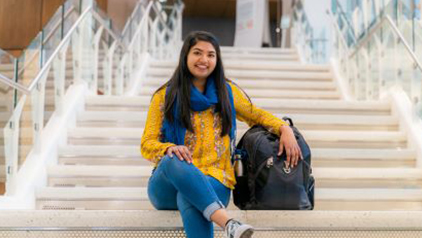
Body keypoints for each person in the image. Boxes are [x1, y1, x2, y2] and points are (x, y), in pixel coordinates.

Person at [140, 31, 302, 238]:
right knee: (173, 159)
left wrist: (284, 128)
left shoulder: (227, 93)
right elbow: (147, 143)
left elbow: (257, 115)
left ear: (217, 59)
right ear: (185, 56)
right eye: (197, 53)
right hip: (168, 183)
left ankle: (229, 225)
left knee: (189, 196)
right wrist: (168, 148)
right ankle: (229, 223)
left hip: (216, 178)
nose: (204, 60)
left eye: (210, 55)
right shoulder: (165, 96)